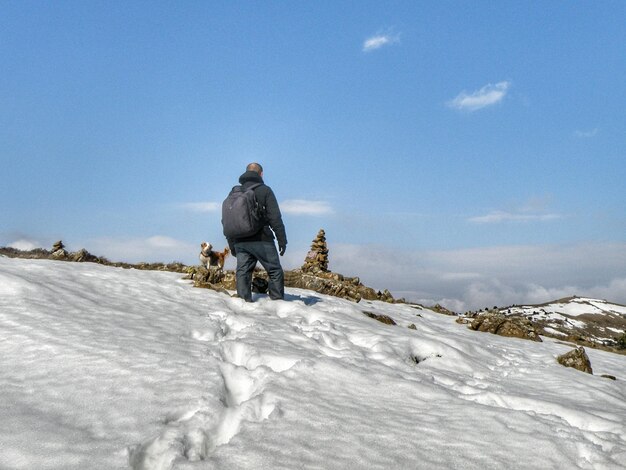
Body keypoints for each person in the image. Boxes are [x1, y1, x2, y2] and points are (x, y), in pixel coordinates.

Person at [226, 163, 287, 302]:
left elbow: (228, 220)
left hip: (240, 241)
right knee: (274, 271)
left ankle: (242, 304)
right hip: (262, 239)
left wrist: (232, 244)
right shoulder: (265, 190)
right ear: (261, 174)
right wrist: (282, 240)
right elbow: (275, 218)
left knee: (243, 273)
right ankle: (277, 304)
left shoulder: (234, 192)